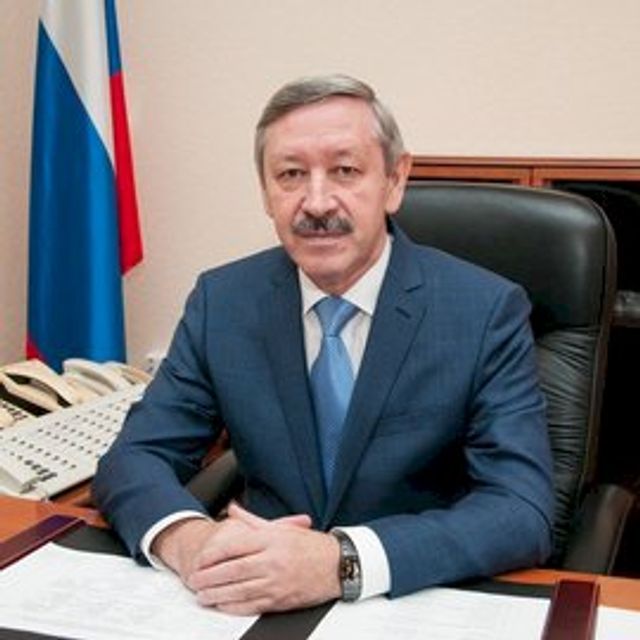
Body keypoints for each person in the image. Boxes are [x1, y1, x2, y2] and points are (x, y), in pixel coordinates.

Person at [93, 74, 554, 615]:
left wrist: (342, 561)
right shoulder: (224, 301)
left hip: (410, 602)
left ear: (395, 180)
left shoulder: (483, 310)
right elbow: (136, 456)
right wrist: (191, 542)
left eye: (345, 171)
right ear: (265, 192)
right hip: (255, 604)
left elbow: (520, 509)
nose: (316, 202)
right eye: (291, 174)